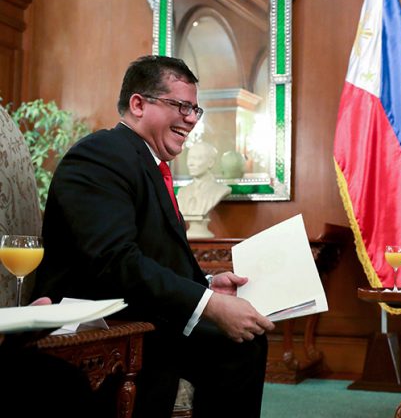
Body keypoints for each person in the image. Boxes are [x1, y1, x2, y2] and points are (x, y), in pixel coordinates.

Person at [32, 55, 275, 418]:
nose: (192, 119)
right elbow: (115, 261)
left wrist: (209, 285)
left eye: (195, 109)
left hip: (145, 310)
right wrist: (207, 304)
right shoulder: (100, 155)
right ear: (138, 104)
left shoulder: (147, 162)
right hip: (104, 319)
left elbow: (156, 257)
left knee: (243, 344)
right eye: (180, 105)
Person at [177, 141, 230, 218]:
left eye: (197, 158)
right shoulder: (182, 192)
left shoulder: (221, 190)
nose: (190, 163)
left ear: (210, 162)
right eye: (189, 158)